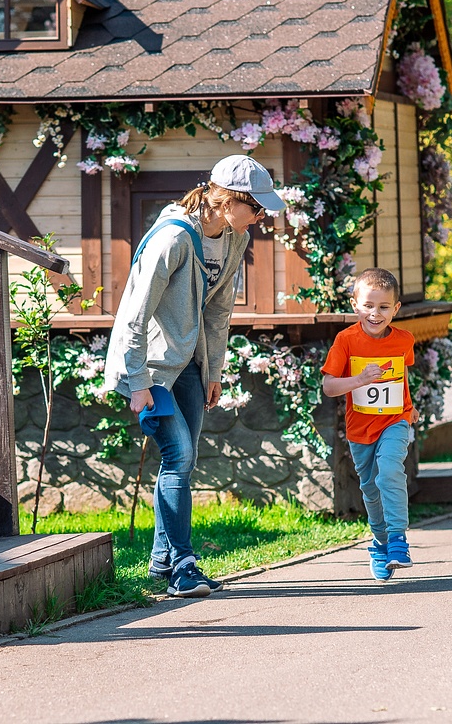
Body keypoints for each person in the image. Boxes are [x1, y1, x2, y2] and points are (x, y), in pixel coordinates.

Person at [104, 154, 284, 598]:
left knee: (181, 461)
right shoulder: (173, 239)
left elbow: (220, 311)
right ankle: (185, 566)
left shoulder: (234, 238)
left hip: (191, 363)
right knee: (179, 455)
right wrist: (139, 381)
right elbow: (133, 314)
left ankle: (161, 564)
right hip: (149, 368)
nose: (261, 217)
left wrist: (214, 369)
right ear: (225, 200)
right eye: (255, 208)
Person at [321, 268, 420, 581]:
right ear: (355, 305)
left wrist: (410, 405)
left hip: (395, 420)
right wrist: (359, 379)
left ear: (396, 308)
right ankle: (379, 542)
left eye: (383, 307)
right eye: (368, 306)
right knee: (370, 488)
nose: (375, 314)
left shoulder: (404, 340)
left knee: (391, 470)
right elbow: (329, 386)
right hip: (360, 428)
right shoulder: (346, 340)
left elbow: (401, 375)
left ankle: (398, 540)